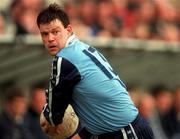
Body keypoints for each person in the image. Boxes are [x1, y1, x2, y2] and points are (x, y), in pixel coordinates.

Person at [36, 3, 154, 139]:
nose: (50, 38)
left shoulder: (65, 59)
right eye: (45, 34)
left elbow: (54, 110)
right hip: (122, 129)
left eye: (55, 32)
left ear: (68, 30)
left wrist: (49, 118)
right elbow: (99, 106)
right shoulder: (81, 49)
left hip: (125, 132)